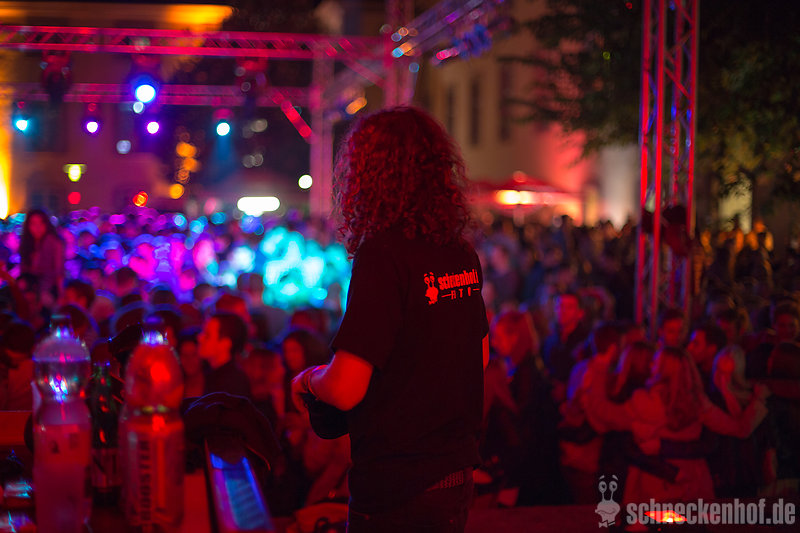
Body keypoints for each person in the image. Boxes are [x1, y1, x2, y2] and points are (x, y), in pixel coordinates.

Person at [291, 106, 489, 533]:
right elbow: (480, 357)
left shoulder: (383, 255)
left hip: (397, 486)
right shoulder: (460, 252)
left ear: (368, 175)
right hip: (454, 475)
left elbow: (345, 388)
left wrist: (308, 381)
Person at [19, 208, 65, 305]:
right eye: (33, 224)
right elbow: (24, 270)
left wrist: (61, 295)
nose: (37, 228)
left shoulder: (54, 243)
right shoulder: (28, 244)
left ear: (46, 224)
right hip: (30, 288)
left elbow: (59, 272)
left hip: (48, 289)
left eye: (41, 223)